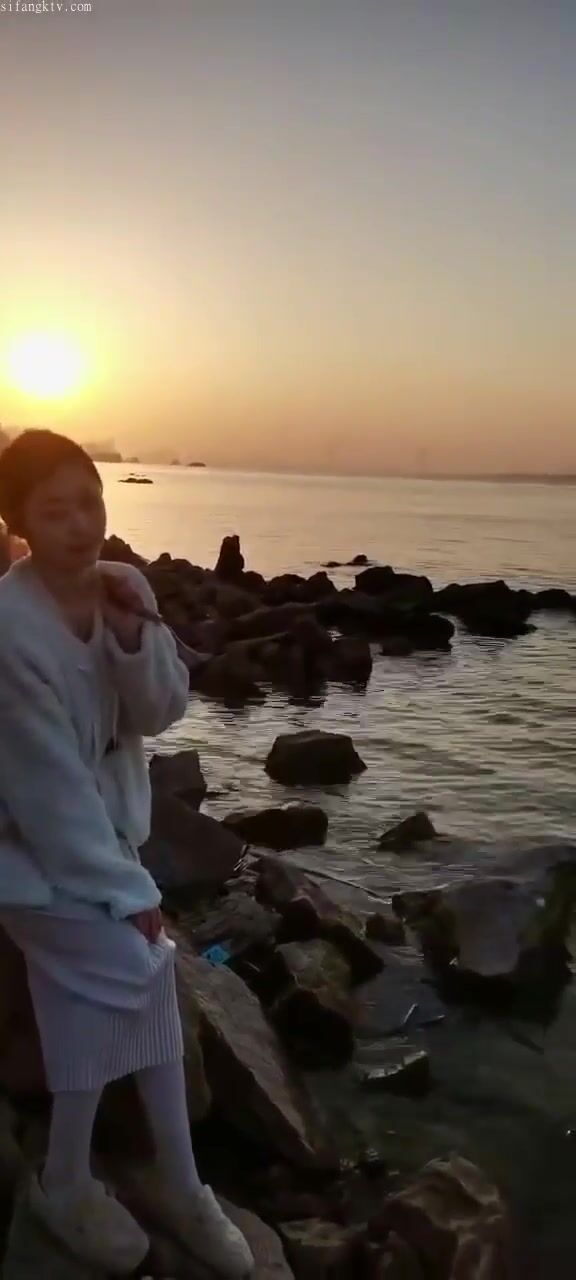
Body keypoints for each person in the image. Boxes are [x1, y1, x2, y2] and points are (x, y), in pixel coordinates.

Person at [0, 430, 254, 1278]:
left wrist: (130, 638)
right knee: (141, 966)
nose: (81, 526)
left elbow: (162, 711)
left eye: (91, 503)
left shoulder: (123, 585)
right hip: (21, 850)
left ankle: (73, 1180)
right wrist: (127, 892)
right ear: (19, 522)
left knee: (98, 990)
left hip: (100, 841)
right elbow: (44, 786)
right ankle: (169, 1184)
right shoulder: (8, 627)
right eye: (55, 511)